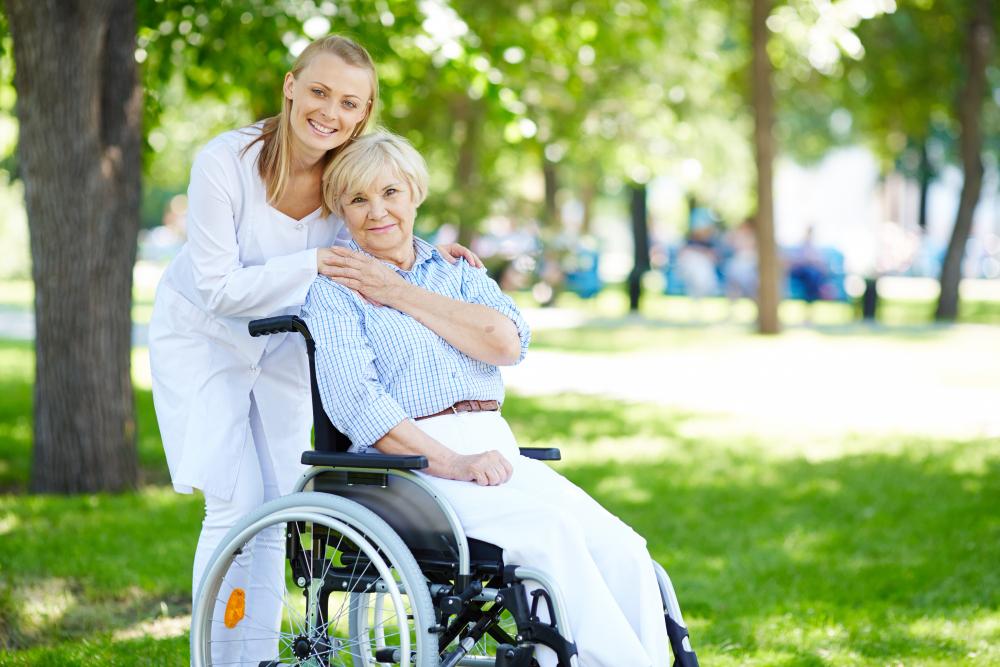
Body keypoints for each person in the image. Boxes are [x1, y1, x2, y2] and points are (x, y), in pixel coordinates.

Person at [148, 35, 479, 664]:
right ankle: (213, 658)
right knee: (234, 503)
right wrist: (316, 262)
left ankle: (252, 657)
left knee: (279, 508)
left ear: (366, 111)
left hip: (282, 343)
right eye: (319, 92)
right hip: (204, 338)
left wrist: (435, 253)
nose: (331, 112)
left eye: (350, 102)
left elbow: (381, 221)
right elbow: (218, 289)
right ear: (290, 87)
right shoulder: (225, 162)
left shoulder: (347, 170)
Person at [302, 131, 671, 667]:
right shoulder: (333, 290)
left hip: (496, 450)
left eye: (390, 193)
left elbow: (506, 343)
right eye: (358, 199)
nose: (377, 212)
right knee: (552, 535)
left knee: (624, 549)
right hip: (410, 467)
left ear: (415, 194)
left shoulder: (458, 273)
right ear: (340, 207)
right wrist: (452, 462)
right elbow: (356, 402)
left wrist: (397, 292)